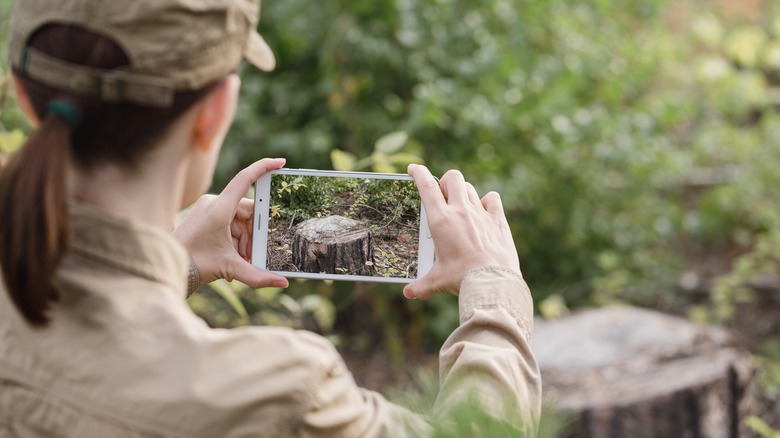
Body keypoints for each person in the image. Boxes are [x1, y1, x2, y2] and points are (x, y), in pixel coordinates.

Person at [0, 0, 541, 436]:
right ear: (214, 114)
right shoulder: (276, 394)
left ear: (24, 95)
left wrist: (174, 264)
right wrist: (493, 288)